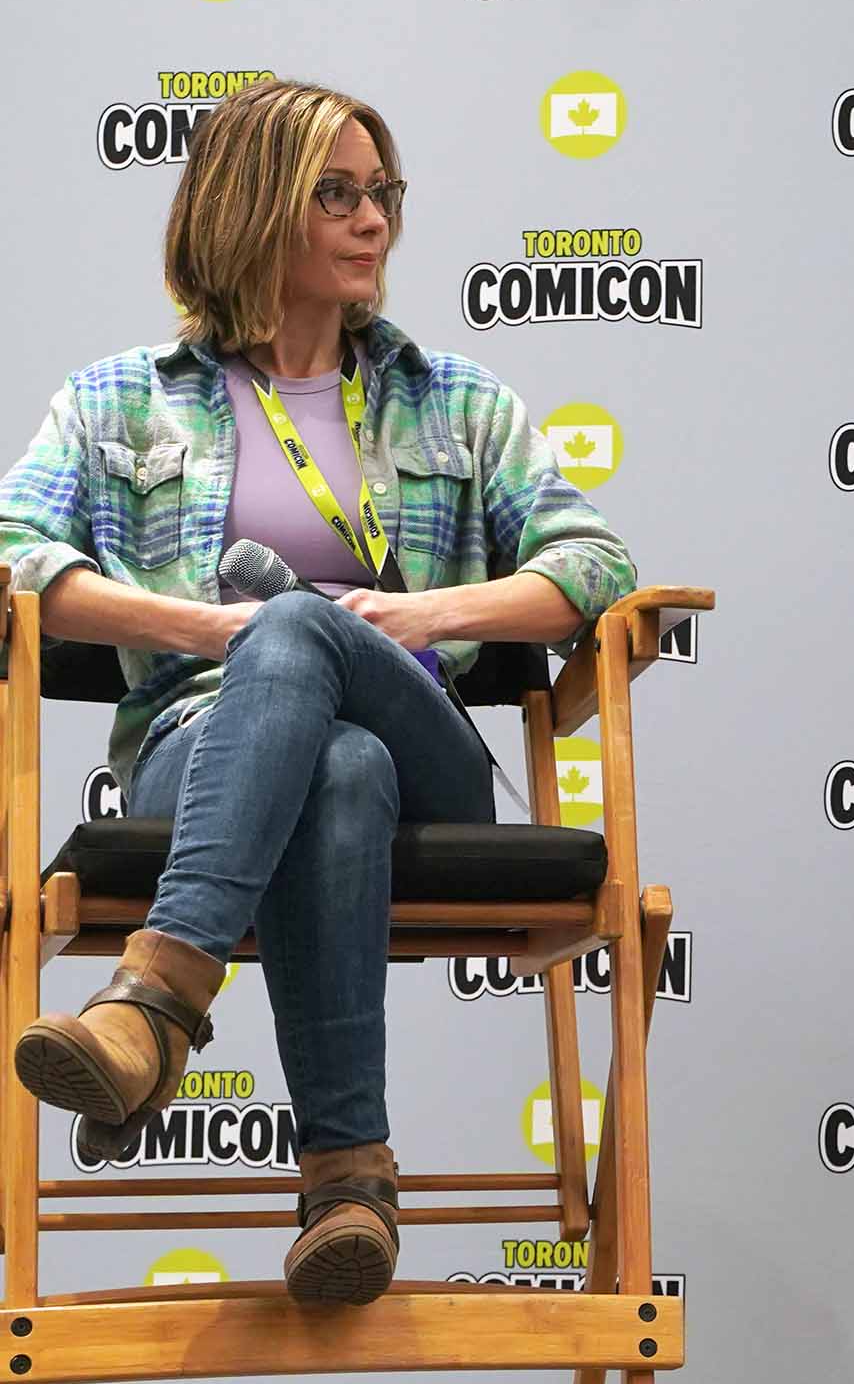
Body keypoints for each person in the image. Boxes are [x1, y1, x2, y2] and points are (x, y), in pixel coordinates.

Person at [0, 79, 635, 1305]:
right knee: (328, 757)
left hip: (431, 756)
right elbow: (14, 555)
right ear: (251, 210)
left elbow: (594, 563)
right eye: (335, 195)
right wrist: (202, 626)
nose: (373, 222)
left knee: (314, 646)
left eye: (382, 194)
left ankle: (157, 999)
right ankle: (350, 1178)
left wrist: (420, 616)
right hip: (206, 742)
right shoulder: (120, 399)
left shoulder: (455, 398)